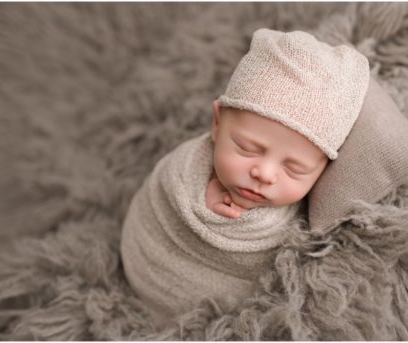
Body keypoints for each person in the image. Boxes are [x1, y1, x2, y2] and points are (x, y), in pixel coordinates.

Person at [119, 28, 370, 322]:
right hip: (147, 274)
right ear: (216, 123)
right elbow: (160, 204)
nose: (264, 173)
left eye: (294, 168)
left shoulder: (312, 220)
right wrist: (204, 204)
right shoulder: (184, 171)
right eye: (247, 148)